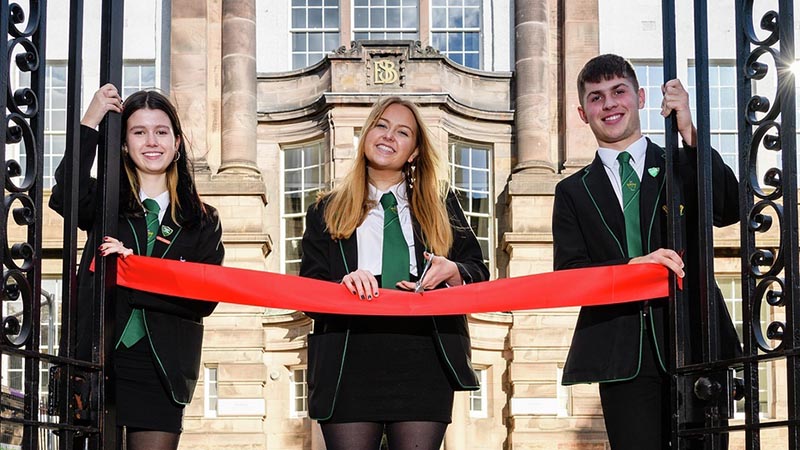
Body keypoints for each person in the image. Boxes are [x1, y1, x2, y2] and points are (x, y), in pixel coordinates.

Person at [552, 54, 741, 450]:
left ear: (638, 97)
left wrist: (690, 131)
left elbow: (730, 208)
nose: (609, 104)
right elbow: (570, 275)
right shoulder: (571, 191)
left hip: (696, 340)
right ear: (583, 113)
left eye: (619, 91)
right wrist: (628, 269)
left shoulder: (679, 163)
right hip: (622, 358)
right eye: (596, 98)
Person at [299, 97, 489, 450]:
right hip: (347, 361)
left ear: (414, 151)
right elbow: (308, 290)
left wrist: (452, 271)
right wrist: (340, 285)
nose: (389, 136)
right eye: (381, 125)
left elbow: (478, 271)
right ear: (366, 134)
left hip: (424, 357)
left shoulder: (442, 205)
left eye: (403, 132)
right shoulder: (324, 210)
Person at [50, 84, 225, 450]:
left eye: (161, 132)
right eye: (138, 132)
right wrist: (91, 120)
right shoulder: (104, 203)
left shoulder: (203, 220)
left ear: (177, 143)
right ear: (125, 145)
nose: (151, 142)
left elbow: (203, 298)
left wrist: (136, 269)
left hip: (161, 367)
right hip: (96, 356)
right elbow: (64, 195)